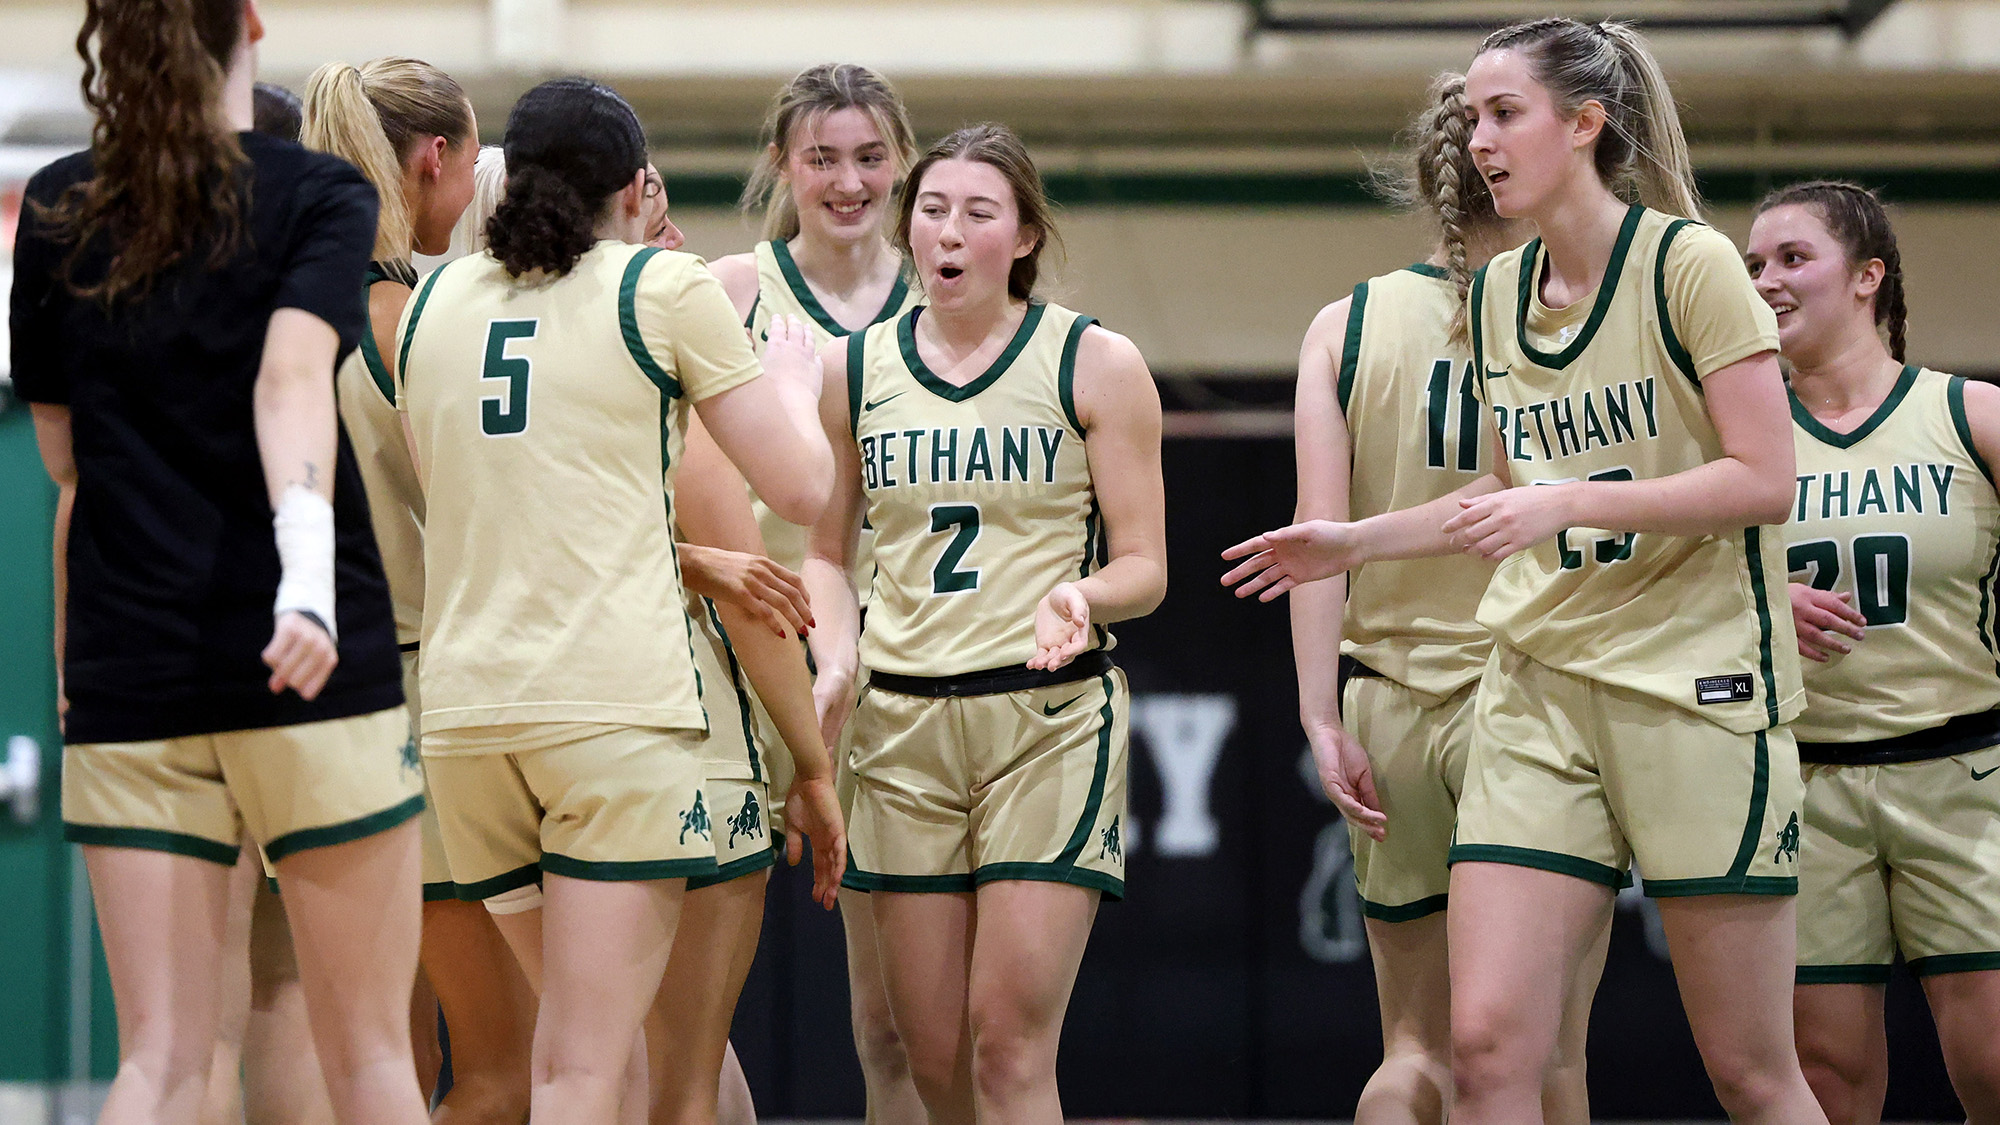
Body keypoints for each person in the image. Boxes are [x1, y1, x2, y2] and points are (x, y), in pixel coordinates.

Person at [1225, 18, 1826, 1124]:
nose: (1479, 141)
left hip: (1690, 688)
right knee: (1488, 1048)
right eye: (1472, 121)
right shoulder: (1497, 299)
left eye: (1503, 115)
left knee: (1749, 1072)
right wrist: (1352, 541)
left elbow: (1763, 480)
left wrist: (1570, 501)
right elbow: (1494, 506)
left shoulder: (1686, 264)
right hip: (1536, 689)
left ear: (1584, 123)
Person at [11, 1, 430, 1123]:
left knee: (160, 1060)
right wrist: (303, 584)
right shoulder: (317, 193)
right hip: (309, 668)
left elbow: (63, 458)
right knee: (372, 1060)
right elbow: (289, 383)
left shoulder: (55, 202)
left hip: (128, 671)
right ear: (247, 23)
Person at [395, 76, 839, 1125]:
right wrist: (789, 386)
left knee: (578, 1062)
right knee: (588, 1074)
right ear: (639, 188)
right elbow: (802, 491)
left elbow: (458, 493)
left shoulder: (434, 302)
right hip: (609, 715)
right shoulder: (661, 288)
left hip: (464, 722)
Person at [807, 122, 1166, 1125]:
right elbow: (823, 554)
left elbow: (1145, 567)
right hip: (900, 729)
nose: (948, 232)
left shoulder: (1093, 361)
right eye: (930, 210)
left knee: (1008, 1048)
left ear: (1020, 237)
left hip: (1043, 722)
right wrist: (833, 655)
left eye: (977, 213)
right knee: (933, 1061)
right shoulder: (852, 370)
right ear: (905, 231)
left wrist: (1080, 596)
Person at [1287, 72, 1604, 1125]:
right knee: (1541, 1055)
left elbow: (1312, 546)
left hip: (1384, 701)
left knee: (1413, 1050)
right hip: (1531, 697)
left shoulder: (1343, 324)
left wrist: (1318, 716)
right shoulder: (1565, 313)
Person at [300, 56, 541, 1124]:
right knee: (504, 1072)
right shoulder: (415, 314)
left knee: (374, 1073)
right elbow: (485, 516)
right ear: (434, 158)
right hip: (415, 703)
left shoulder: (285, 300)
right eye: (472, 154)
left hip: (307, 710)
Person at [1747, 180, 2000, 1125]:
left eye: (1792, 258)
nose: (1767, 280)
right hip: (1805, 781)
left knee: (1992, 1063)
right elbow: (1664, 591)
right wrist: (1762, 602)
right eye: (1754, 265)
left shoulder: (1969, 414)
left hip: (1965, 771)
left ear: (1868, 276)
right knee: (1827, 1080)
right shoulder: (1738, 433)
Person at [709, 67, 924, 1123]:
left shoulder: (952, 289)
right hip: (749, 659)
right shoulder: (728, 294)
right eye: (822, 157)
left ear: (903, 162)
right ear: (781, 166)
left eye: (870, 156)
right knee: (691, 1007)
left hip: (913, 667)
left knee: (895, 1023)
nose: (848, 181)